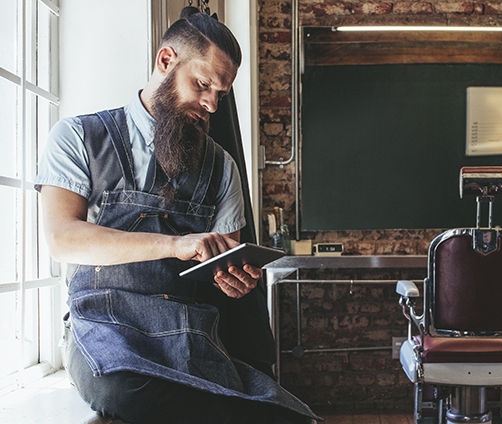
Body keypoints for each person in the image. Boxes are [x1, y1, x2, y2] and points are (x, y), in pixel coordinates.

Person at [35, 8, 317, 424]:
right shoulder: (77, 136)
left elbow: (225, 268)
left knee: (295, 416)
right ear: (166, 61)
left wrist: (233, 281)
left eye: (220, 94)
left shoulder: (223, 169)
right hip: (102, 328)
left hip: (190, 332)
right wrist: (176, 244)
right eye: (203, 84)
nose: (210, 104)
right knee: (124, 390)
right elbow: (62, 238)